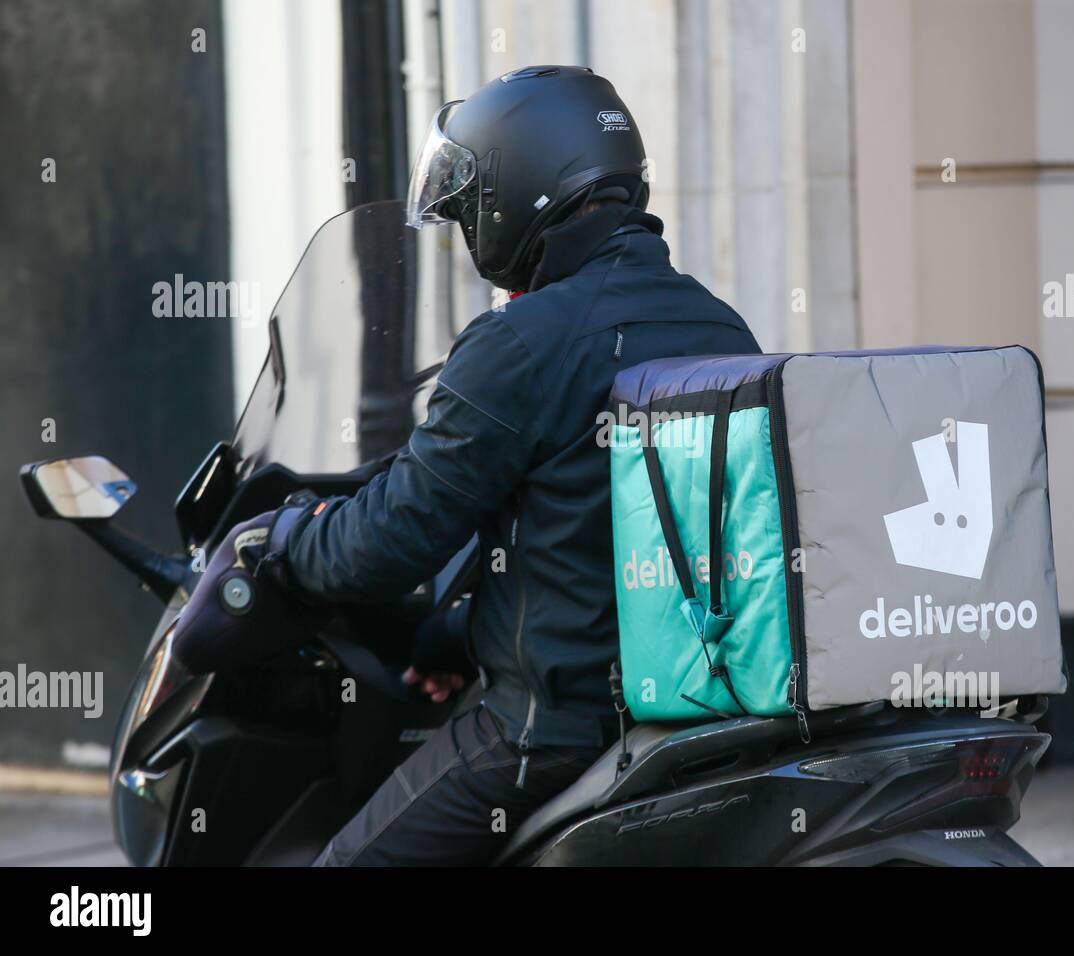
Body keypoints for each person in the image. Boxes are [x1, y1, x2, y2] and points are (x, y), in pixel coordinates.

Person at [176, 65, 761, 865]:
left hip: (550, 728)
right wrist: (457, 632)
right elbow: (608, 522)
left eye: (470, 207)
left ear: (518, 191)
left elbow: (395, 536)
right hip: (696, 713)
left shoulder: (519, 343)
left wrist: (284, 547)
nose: (466, 230)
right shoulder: (717, 322)